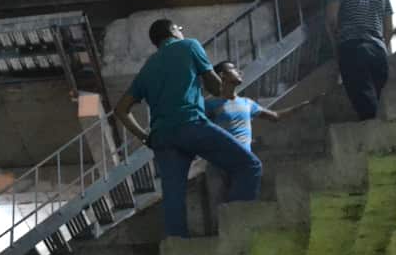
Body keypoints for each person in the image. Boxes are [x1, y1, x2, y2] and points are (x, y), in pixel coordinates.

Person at [114, 18, 262, 239]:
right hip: (191, 125)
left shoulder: (147, 68)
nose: (181, 32)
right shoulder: (190, 45)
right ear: (173, 31)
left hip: (162, 137)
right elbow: (215, 87)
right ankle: (235, 227)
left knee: (173, 198)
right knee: (250, 166)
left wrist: (145, 137)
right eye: (179, 28)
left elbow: (120, 110)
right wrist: (216, 81)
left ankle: (178, 247)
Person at [325, 0, 394, 119]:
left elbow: (332, 20)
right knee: (380, 100)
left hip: (352, 47)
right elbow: (389, 27)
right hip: (378, 49)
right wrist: (383, 46)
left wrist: (337, 50)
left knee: (363, 103)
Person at [204, 61, 315, 145]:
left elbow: (276, 116)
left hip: (244, 162)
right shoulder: (209, 105)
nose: (240, 72)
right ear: (222, 75)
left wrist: (306, 104)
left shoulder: (247, 103)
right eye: (234, 69)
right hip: (221, 162)